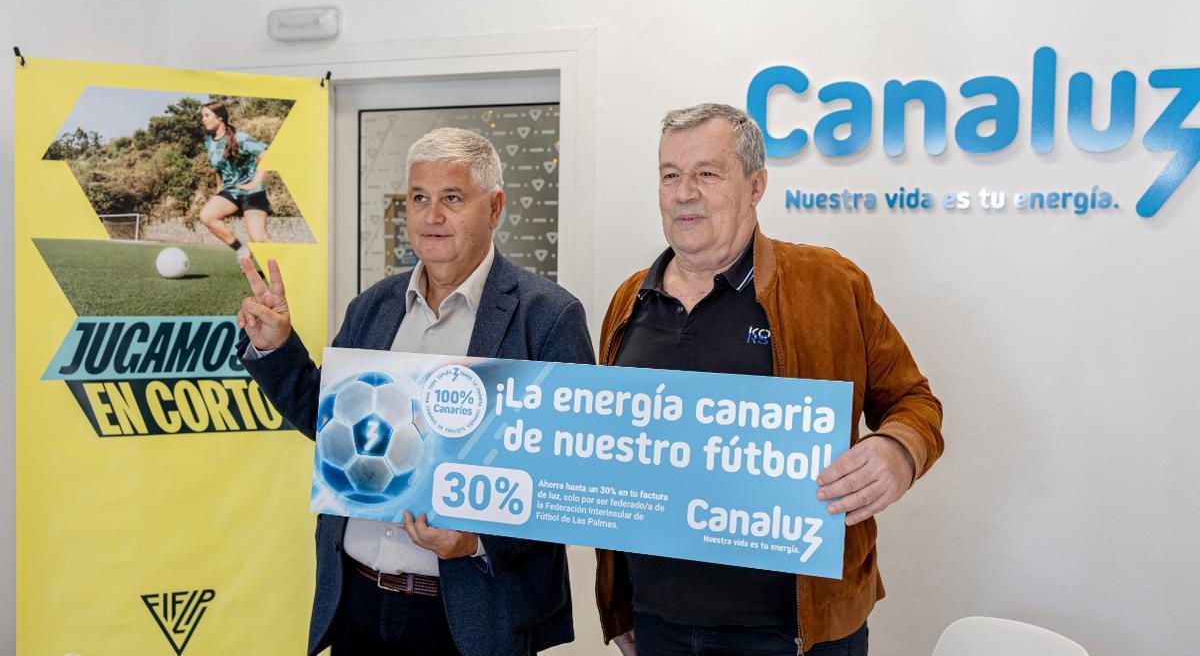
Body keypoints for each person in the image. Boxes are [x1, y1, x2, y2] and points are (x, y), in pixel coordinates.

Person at [594, 104, 944, 656]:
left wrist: (899, 452)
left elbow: (911, 400)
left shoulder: (829, 283)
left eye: (707, 174)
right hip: (659, 620)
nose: (684, 192)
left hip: (796, 630)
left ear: (756, 184)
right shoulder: (628, 300)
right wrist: (618, 605)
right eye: (670, 174)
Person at [236, 127, 594, 656]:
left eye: (452, 198)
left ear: (494, 208)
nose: (432, 216)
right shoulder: (373, 307)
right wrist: (278, 347)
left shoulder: (547, 316)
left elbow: (573, 470)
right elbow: (331, 423)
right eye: (419, 199)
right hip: (357, 600)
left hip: (466, 617)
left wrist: (478, 542)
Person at [199, 101, 271, 258]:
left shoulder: (240, 138)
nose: (203, 119)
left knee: (259, 240)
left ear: (219, 117)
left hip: (252, 193)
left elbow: (265, 154)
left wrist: (256, 181)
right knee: (207, 215)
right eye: (202, 116)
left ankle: (283, 271)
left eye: (206, 115)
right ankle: (242, 250)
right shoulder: (209, 142)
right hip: (230, 192)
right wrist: (219, 190)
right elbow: (217, 168)